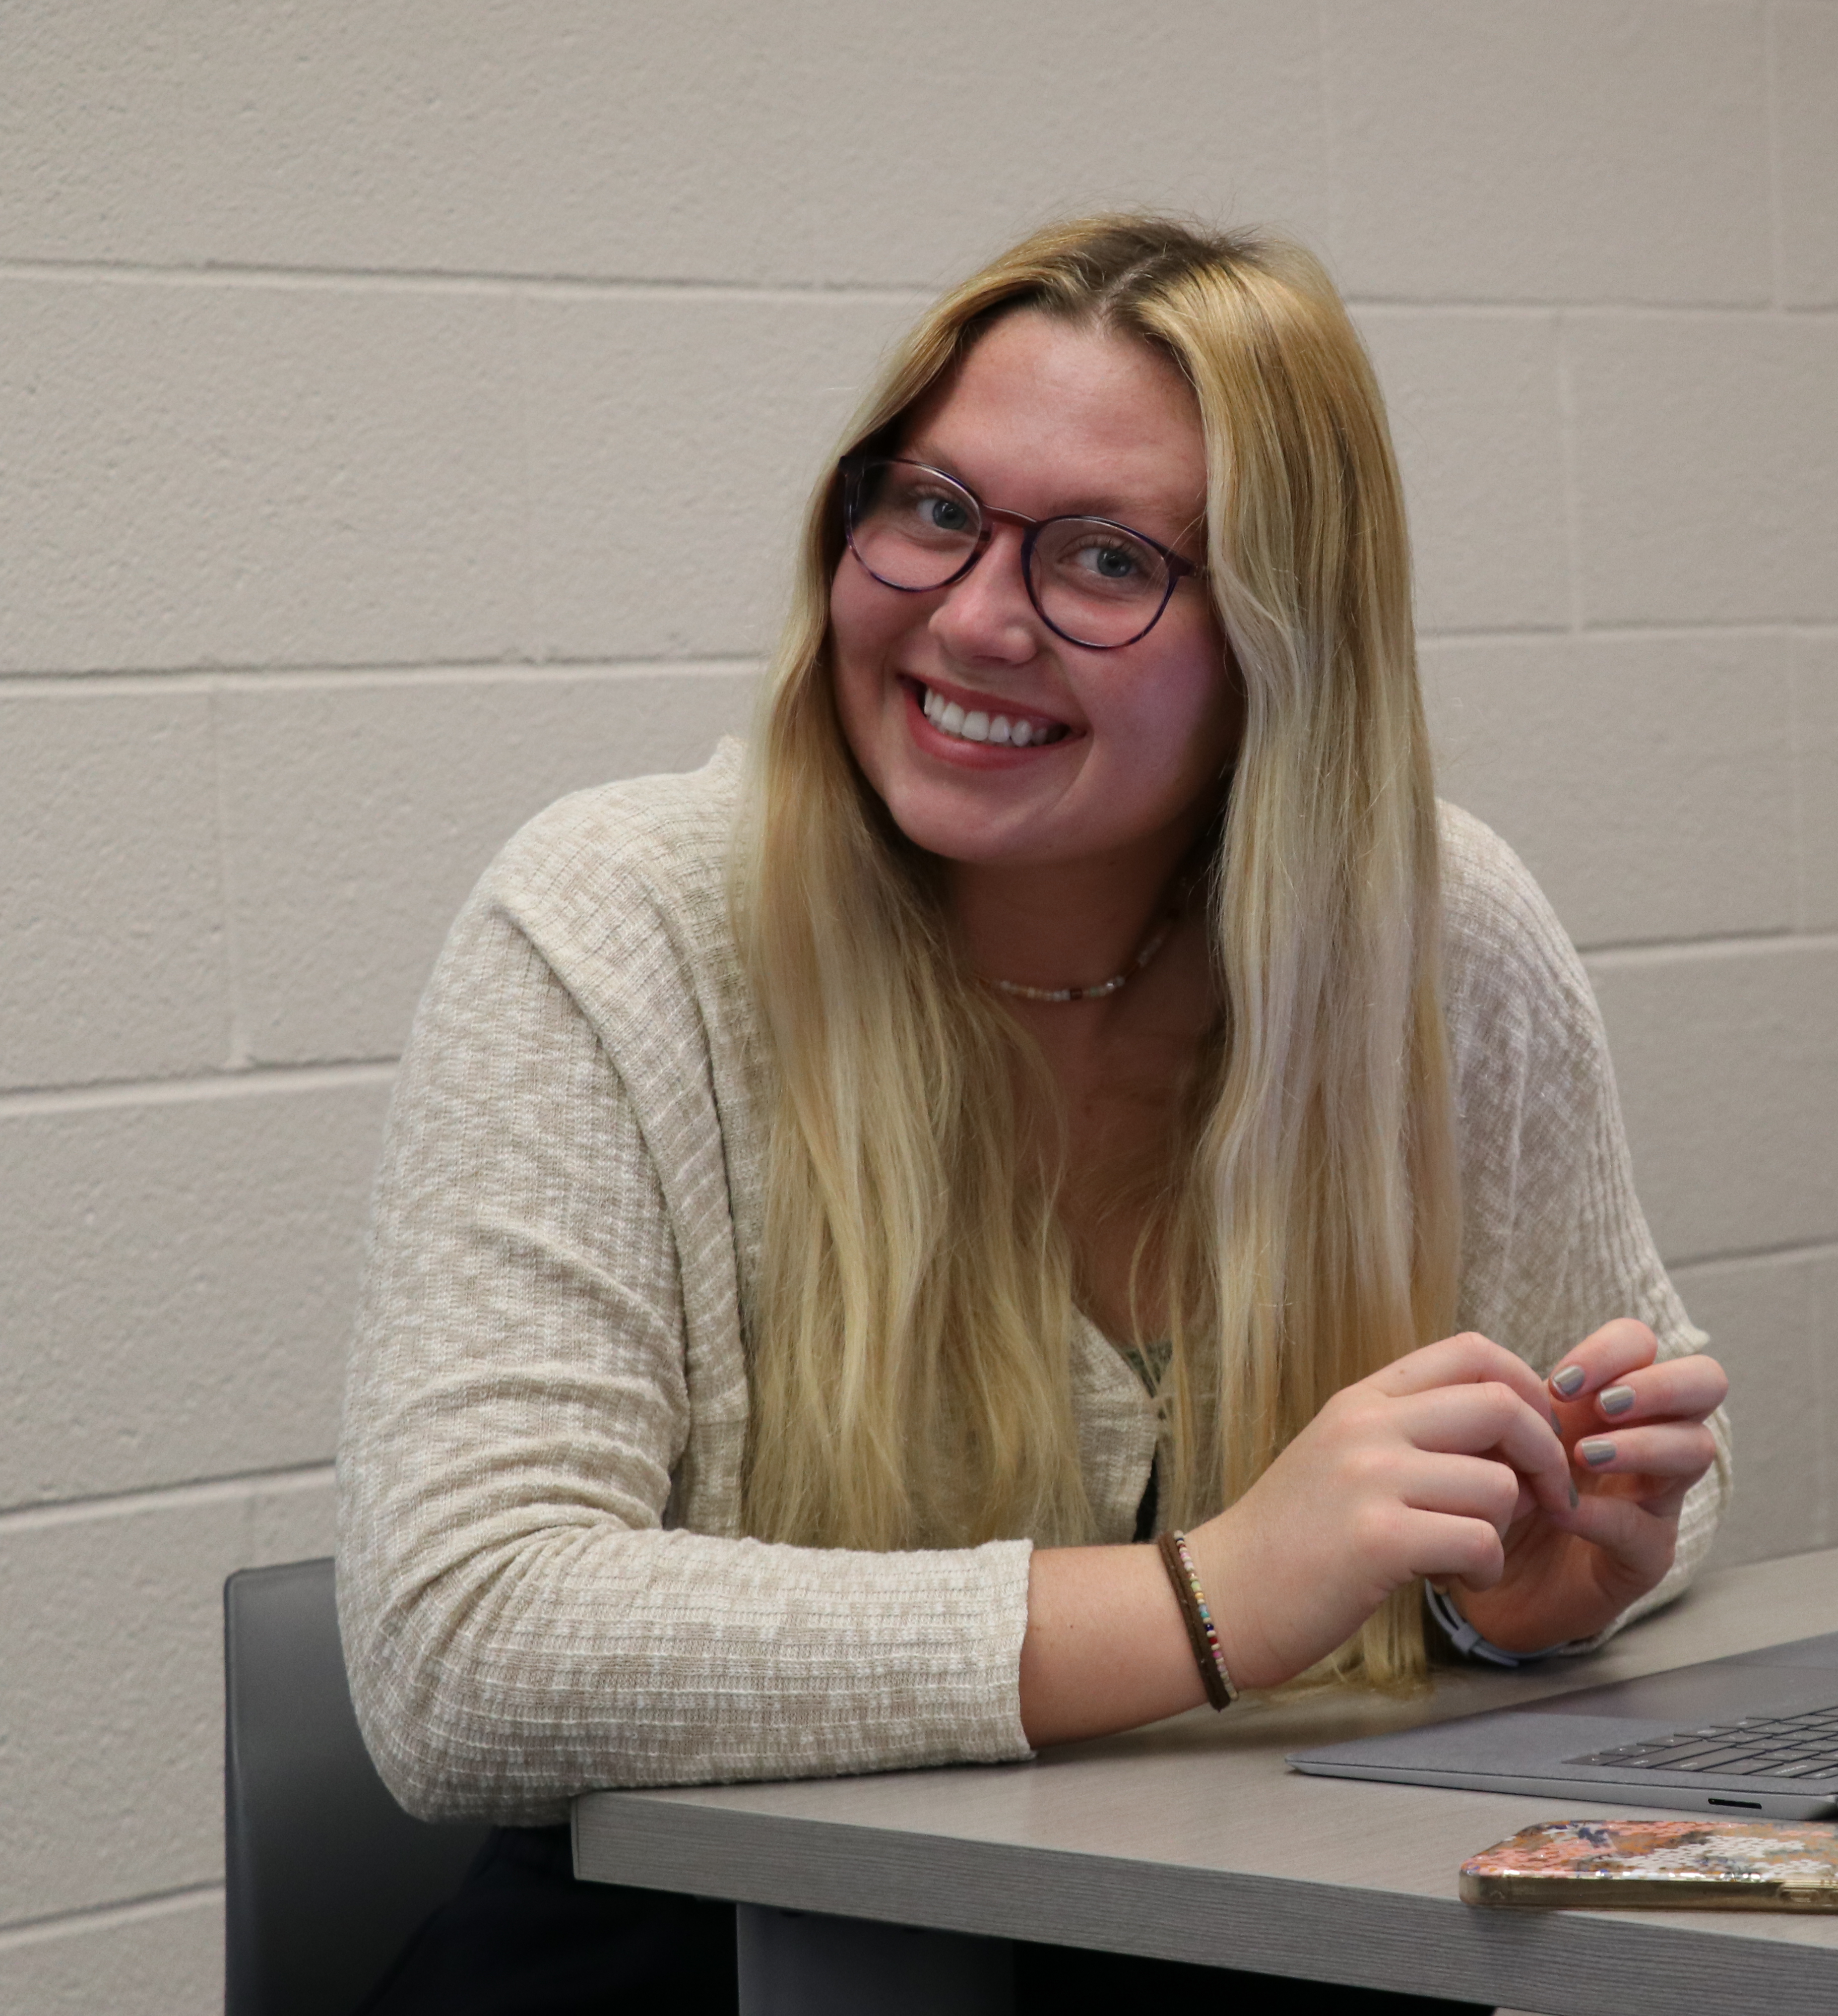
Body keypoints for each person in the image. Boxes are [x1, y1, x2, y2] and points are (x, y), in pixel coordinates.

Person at [335, 213, 1728, 2011]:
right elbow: (464, 1648)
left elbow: (1662, 1467)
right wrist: (1212, 1601)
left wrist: (1530, 1587)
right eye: (928, 511)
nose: (975, 617)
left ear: (1280, 647)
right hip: (720, 1970)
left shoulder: (1433, 937)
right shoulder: (615, 922)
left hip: (1214, 1947)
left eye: (1100, 559)